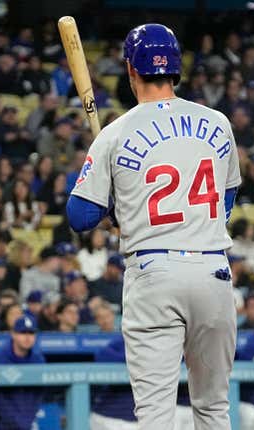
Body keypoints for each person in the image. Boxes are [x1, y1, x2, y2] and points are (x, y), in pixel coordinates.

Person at [67, 24, 241, 430]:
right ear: (176, 68)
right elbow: (227, 199)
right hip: (213, 271)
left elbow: (79, 217)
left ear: (131, 69)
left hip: (153, 271)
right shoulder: (218, 123)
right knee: (214, 409)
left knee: (155, 416)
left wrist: (117, 206)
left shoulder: (114, 133)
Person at [0, 315, 45, 429]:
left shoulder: (37, 359)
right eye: (23, 333)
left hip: (25, 421)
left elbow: (38, 393)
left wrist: (27, 420)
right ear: (13, 334)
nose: (27, 337)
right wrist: (17, 421)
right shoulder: (0, 357)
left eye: (31, 333)